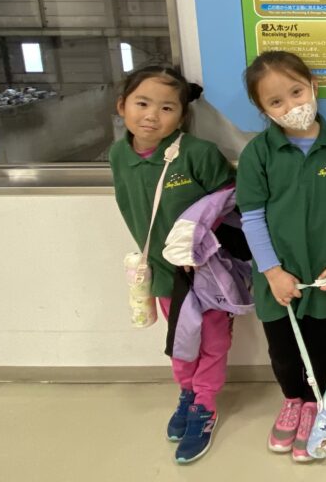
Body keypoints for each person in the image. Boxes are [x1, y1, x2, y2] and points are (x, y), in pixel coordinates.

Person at [235, 51, 326, 462]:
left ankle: (313, 404)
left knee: (317, 341)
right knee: (282, 348)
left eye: (296, 92)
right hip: (276, 276)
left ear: (313, 87)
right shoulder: (258, 154)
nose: (291, 106)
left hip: (322, 271)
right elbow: (252, 217)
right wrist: (273, 272)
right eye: (276, 101)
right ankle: (292, 400)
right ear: (263, 110)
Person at [109, 65, 236, 464]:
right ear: (122, 106)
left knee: (213, 340)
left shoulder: (198, 154)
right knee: (180, 340)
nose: (152, 115)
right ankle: (187, 392)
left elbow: (229, 201)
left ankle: (205, 405)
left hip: (206, 270)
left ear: (181, 117)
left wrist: (198, 245)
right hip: (162, 272)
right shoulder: (118, 155)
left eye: (166, 108)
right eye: (142, 103)